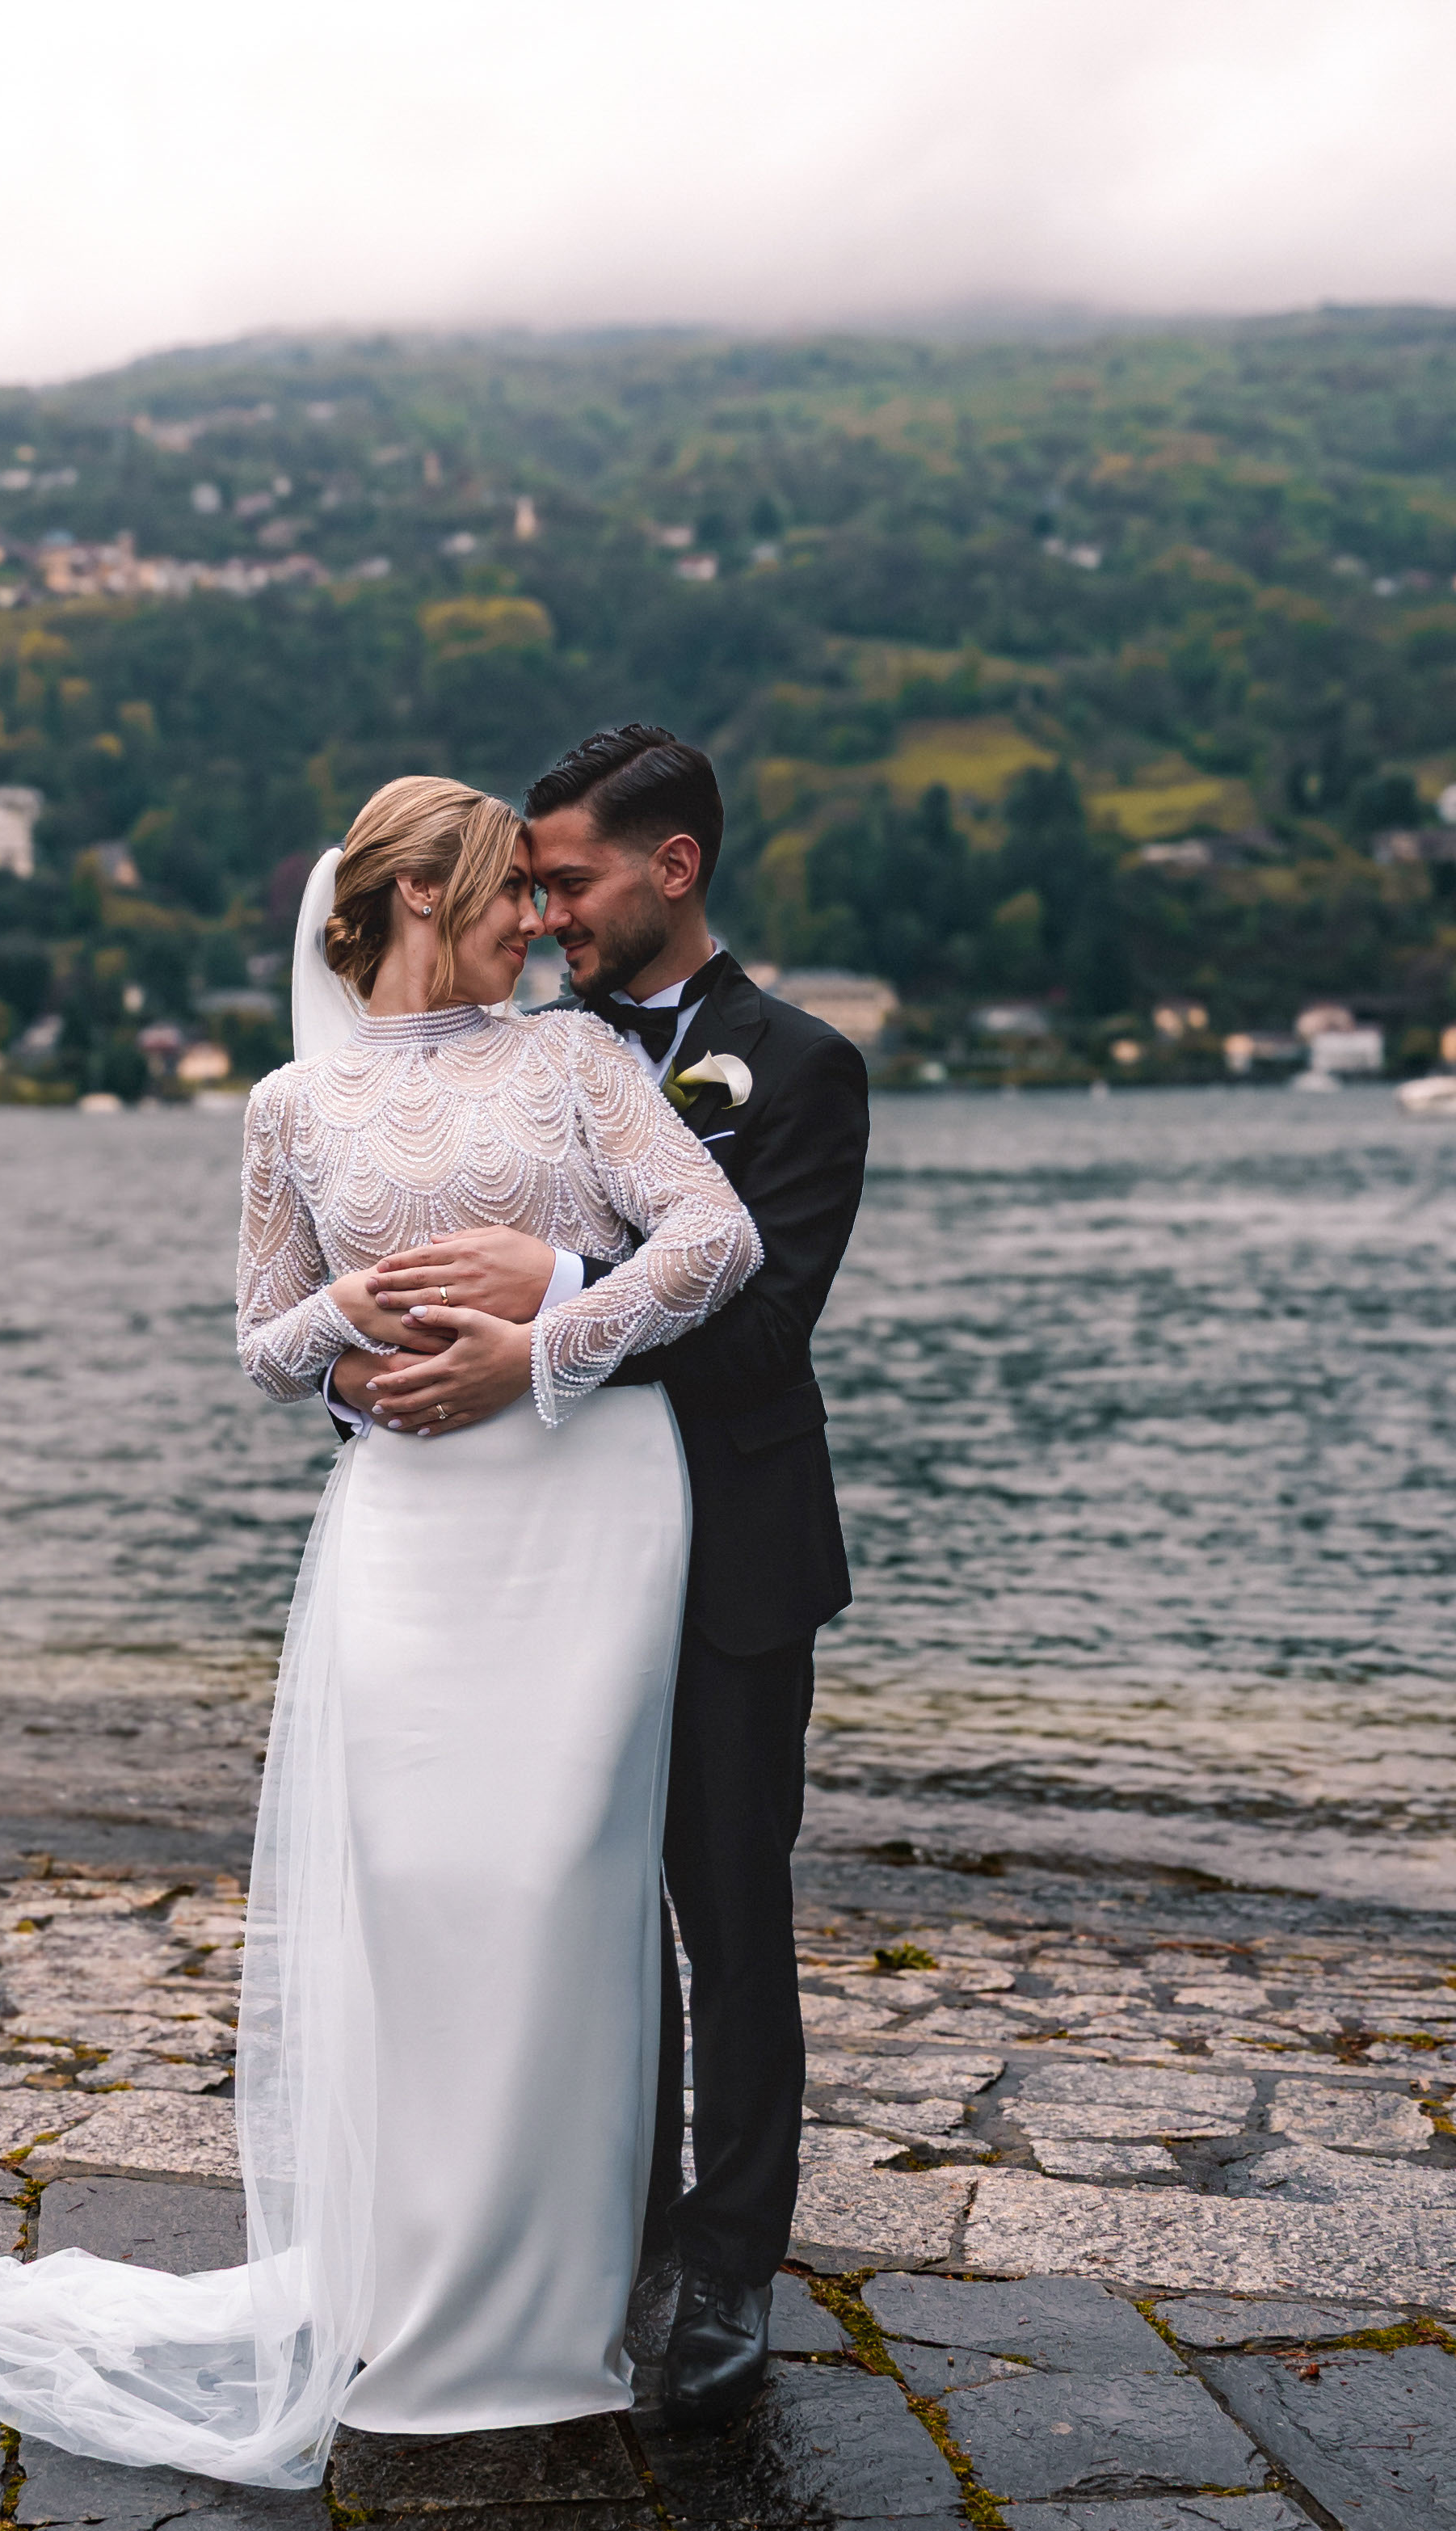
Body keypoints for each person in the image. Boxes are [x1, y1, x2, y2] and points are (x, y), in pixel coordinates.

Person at [0, 774, 757, 2487]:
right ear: (422, 893)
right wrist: (344, 1324)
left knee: (554, 1892)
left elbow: (719, 1235)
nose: (540, 919)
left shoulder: (578, 1063)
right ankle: (418, 2295)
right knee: (422, 1897)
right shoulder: (294, 1105)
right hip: (411, 1537)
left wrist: (553, 1332)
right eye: (510, 890)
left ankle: (555, 2318)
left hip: (587, 1513)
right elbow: (261, 1343)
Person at [343, 725, 869, 2428]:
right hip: (545, 1559)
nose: (548, 910)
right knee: (572, 1907)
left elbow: (765, 1323)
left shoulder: (799, 1066)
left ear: (676, 866)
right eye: (530, 885)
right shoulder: (532, 1056)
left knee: (729, 1910)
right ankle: (605, 2228)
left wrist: (560, 1288)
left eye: (568, 878)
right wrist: (391, 1374)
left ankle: (728, 2270)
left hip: (727, 1552)